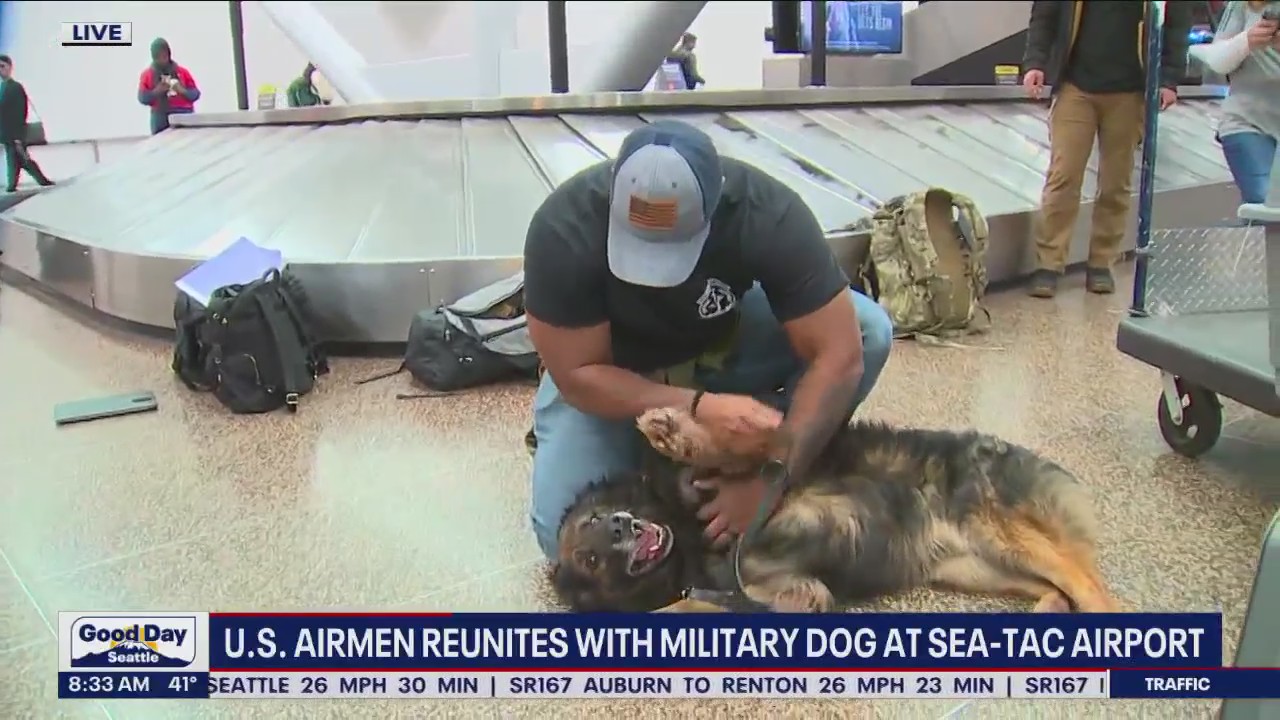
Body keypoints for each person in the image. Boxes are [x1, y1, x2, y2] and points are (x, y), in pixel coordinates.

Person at [523, 119, 895, 559]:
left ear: (716, 205)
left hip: (720, 343)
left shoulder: (764, 211)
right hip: (615, 373)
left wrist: (772, 480)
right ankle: (654, 445)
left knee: (867, 329)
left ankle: (759, 445)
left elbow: (841, 353)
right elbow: (578, 375)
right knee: (564, 539)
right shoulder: (564, 228)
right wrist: (700, 407)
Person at [1021, 1, 1192, 298]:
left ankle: (1101, 262)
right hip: (1075, 85)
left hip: (1130, 90)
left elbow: (1177, 23)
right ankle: (1048, 263)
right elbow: (1045, 15)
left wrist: (1169, 79)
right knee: (1063, 175)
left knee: (1116, 181)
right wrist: (1035, 62)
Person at [1211, 2, 1279, 205]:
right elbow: (1217, 62)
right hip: (1246, 120)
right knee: (1263, 202)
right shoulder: (1241, 6)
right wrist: (1246, 40)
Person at [0, 55, 53, 192]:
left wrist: (18, 135)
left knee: (19, 158)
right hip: (6, 134)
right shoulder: (2, 87)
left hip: (15, 133)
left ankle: (15, 185)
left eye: (2, 66)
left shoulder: (15, 87)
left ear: (10, 67)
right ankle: (36, 181)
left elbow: (21, 112)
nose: (0, 70)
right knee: (18, 159)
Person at [137, 38, 200, 135]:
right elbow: (142, 98)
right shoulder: (148, 75)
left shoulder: (182, 72)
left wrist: (182, 90)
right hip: (160, 116)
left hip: (183, 112)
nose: (162, 59)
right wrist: (157, 91)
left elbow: (195, 94)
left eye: (164, 55)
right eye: (158, 56)